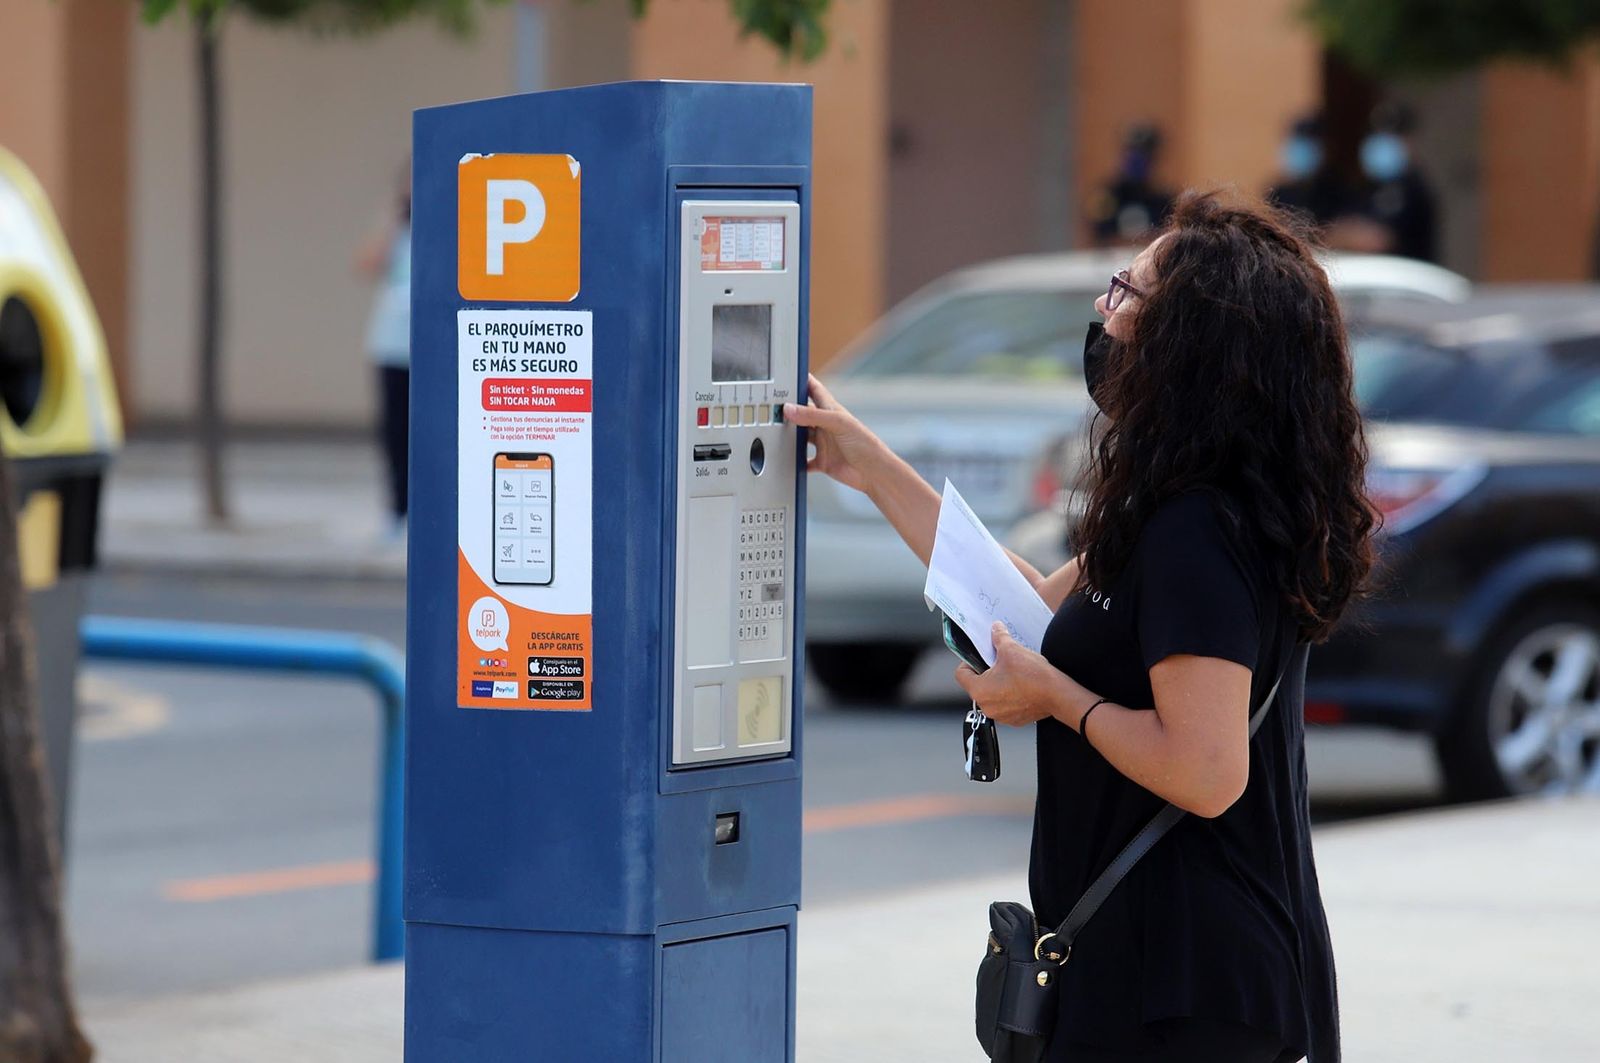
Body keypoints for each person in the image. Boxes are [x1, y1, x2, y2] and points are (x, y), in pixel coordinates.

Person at [785, 191, 1374, 1063]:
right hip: (1153, 964)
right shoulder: (1170, 503)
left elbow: (1208, 771)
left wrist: (1053, 695)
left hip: (1189, 988)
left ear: (1190, 345)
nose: (1103, 312)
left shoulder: (1199, 529)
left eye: (1126, 295)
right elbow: (1020, 608)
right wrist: (866, 465)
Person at [356, 165, 412, 537]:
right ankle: (396, 511)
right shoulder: (399, 233)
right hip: (392, 345)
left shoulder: (451, 227)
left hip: (428, 350)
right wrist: (392, 219)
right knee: (394, 432)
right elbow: (367, 264)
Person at [1327, 101, 1439, 262]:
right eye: (1378, 135)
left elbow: (1375, 241)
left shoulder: (1412, 188)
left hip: (1406, 279)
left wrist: (1347, 235)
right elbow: (1329, 231)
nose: (1382, 144)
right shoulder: (1368, 187)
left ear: (1408, 141)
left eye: (1390, 137)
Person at [1086, 124, 1175, 247]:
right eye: (1133, 154)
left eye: (1145, 156)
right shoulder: (1107, 196)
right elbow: (1099, 235)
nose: (1138, 160)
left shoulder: (1164, 200)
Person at [1267, 113, 1351, 227]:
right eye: (1298, 140)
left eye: (1308, 141)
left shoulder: (1336, 193)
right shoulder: (1278, 194)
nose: (1300, 152)